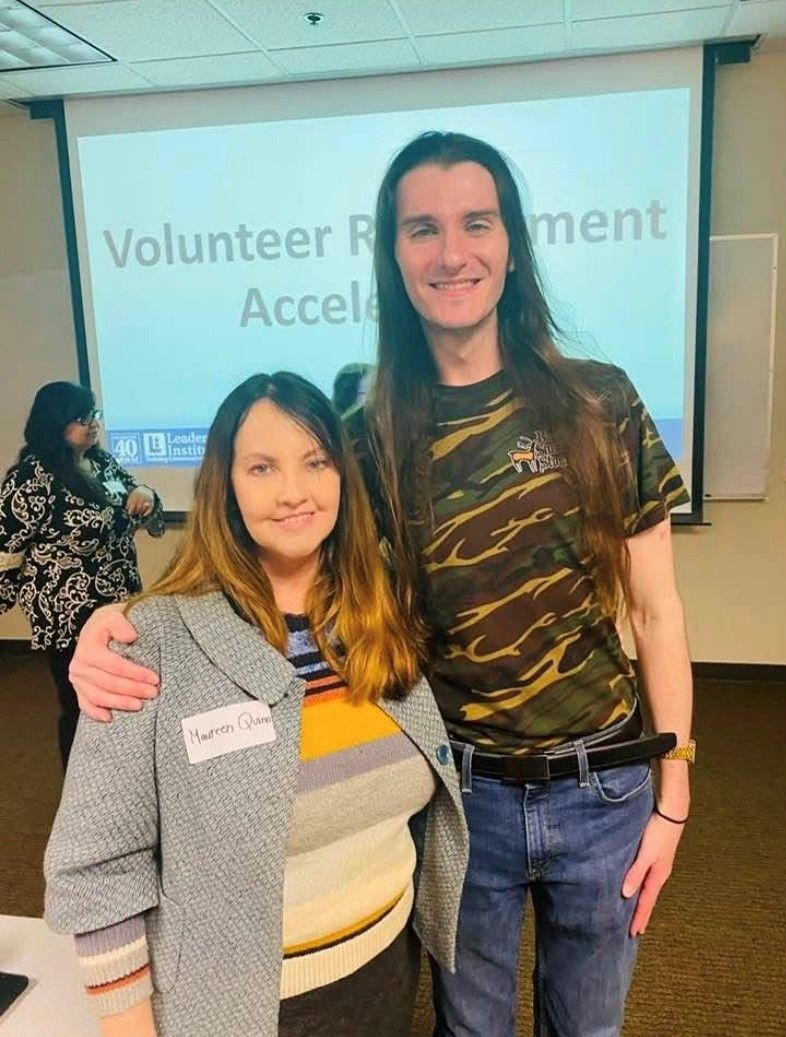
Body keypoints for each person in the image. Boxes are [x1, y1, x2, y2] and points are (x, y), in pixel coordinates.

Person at [68, 132, 694, 1036]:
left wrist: (675, 792)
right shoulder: (363, 439)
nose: (451, 252)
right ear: (392, 254)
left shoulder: (603, 402)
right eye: (422, 229)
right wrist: (115, 620)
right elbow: (276, 556)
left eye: (476, 223)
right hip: (456, 798)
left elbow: (657, 609)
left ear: (511, 242)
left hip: (608, 790)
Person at [44, 371, 468, 1037]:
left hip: (386, 977)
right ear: (226, 486)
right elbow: (98, 871)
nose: (295, 491)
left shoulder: (377, 619)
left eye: (316, 461)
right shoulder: (148, 644)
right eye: (263, 466)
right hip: (238, 1008)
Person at [0, 380, 163, 769]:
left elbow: (142, 504)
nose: (92, 425)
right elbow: (6, 550)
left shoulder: (102, 464)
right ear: (54, 423)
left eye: (94, 416)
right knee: (82, 705)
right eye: (81, 418)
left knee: (122, 700)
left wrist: (147, 496)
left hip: (119, 604)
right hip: (67, 613)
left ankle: (123, 782)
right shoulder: (30, 478)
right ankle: (81, 794)